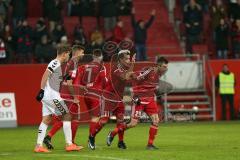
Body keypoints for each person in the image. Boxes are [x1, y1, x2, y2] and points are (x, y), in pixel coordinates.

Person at [107, 57, 169, 150]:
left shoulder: (159, 74)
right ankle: (113, 133)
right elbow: (134, 77)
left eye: (167, 67)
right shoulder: (148, 71)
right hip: (140, 100)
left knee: (156, 121)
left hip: (150, 100)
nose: (166, 69)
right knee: (133, 124)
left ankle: (150, 144)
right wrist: (134, 96)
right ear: (158, 65)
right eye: (164, 67)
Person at [34, 44, 81, 153]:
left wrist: (64, 77)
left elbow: (54, 78)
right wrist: (41, 90)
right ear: (64, 54)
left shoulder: (59, 65)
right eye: (68, 54)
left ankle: (38, 146)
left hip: (47, 96)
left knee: (46, 119)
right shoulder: (55, 63)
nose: (68, 56)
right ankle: (69, 144)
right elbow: (45, 75)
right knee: (67, 115)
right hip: (52, 96)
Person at [72, 49, 108, 150]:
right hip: (96, 95)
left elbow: (80, 81)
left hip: (86, 94)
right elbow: (104, 81)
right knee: (101, 119)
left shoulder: (85, 66)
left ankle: (89, 140)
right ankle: (91, 139)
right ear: (100, 57)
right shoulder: (101, 66)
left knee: (94, 118)